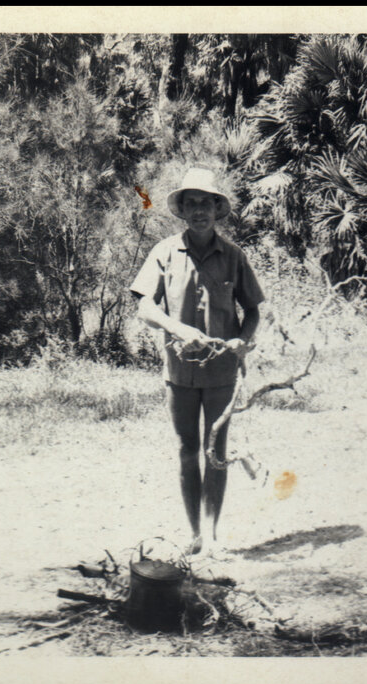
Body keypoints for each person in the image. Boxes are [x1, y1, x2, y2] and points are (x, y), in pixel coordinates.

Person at [130, 167, 265, 556]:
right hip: (179, 372)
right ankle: (194, 535)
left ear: (217, 209)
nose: (199, 210)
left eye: (207, 203)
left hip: (222, 372)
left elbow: (253, 310)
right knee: (187, 451)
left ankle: (213, 535)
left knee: (217, 453)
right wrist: (178, 328)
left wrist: (242, 339)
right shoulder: (165, 252)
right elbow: (144, 306)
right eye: (192, 203)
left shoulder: (234, 256)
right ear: (183, 210)